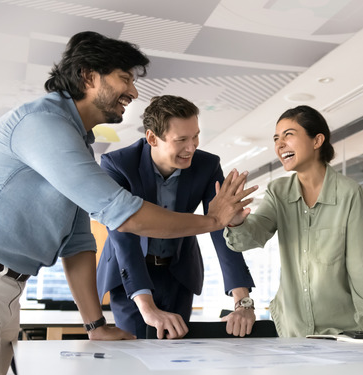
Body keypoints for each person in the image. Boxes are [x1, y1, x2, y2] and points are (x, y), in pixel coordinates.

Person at [0, 31, 255, 375]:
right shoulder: (43, 124)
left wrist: (95, 325)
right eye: (124, 77)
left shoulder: (77, 141)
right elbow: (122, 215)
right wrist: (212, 220)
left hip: (0, 287)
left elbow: (77, 242)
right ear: (88, 76)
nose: (133, 89)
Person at [97, 95, 256, 339]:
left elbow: (221, 228)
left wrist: (242, 302)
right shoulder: (118, 165)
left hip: (178, 271)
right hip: (131, 272)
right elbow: (124, 237)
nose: (192, 147)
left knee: (175, 352)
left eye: (195, 137)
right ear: (152, 138)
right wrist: (148, 309)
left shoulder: (206, 165)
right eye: (181, 139)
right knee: (135, 353)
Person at [223, 105, 363, 337]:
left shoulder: (349, 193)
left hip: (341, 332)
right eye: (276, 138)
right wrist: (236, 222)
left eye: (288, 135)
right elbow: (250, 238)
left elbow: (361, 270)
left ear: (317, 140)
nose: (279, 145)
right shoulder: (278, 191)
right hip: (291, 331)